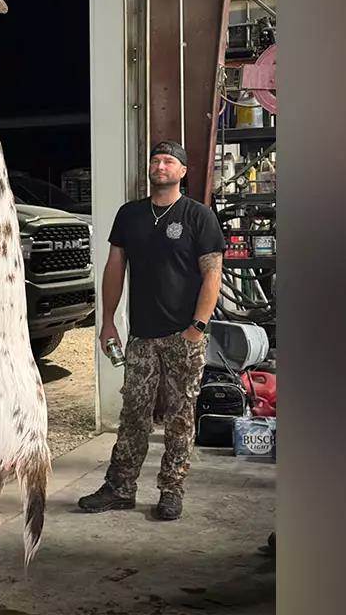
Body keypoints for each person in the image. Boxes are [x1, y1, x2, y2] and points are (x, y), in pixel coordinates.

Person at [78, 141, 225, 520]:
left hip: (184, 335)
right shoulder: (130, 215)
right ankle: (120, 487)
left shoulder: (199, 216)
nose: (160, 166)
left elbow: (213, 274)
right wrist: (108, 321)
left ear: (182, 171)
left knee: (179, 416)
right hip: (142, 337)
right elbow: (115, 268)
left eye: (169, 161)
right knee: (134, 414)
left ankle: (171, 490)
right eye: (156, 160)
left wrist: (197, 327)